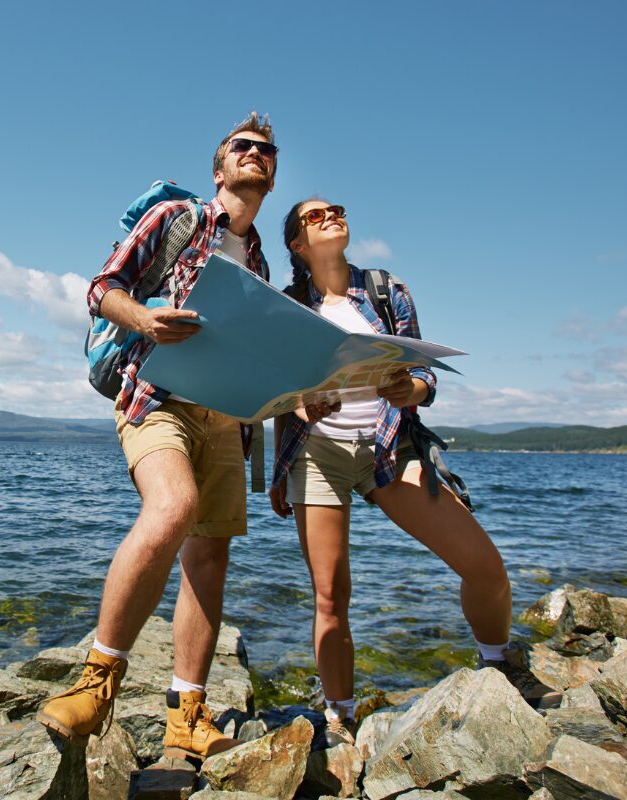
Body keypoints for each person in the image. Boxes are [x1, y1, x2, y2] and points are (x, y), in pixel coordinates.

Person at [268, 199, 560, 747]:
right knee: (331, 596)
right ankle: (341, 715)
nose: (332, 216)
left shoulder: (385, 288)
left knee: (485, 567)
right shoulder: (288, 307)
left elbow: (423, 369)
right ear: (297, 245)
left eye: (337, 209)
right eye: (315, 216)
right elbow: (282, 399)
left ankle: (499, 664)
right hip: (318, 455)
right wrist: (281, 465)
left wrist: (415, 388)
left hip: (389, 448)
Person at [36, 114, 277, 760]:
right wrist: (144, 317)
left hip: (226, 417)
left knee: (210, 556)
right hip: (156, 395)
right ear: (220, 168)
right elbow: (101, 289)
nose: (257, 154)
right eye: (242, 147)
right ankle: (96, 683)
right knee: (172, 508)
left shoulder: (260, 260)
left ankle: (187, 714)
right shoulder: (177, 219)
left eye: (267, 151)